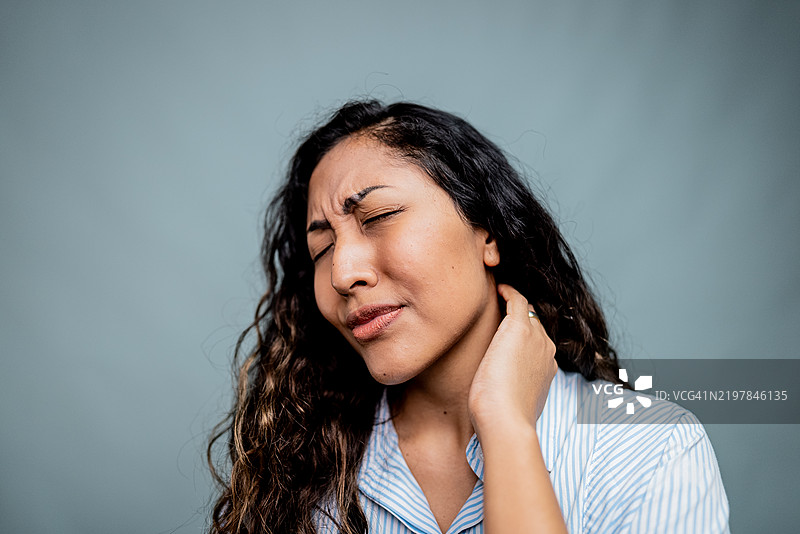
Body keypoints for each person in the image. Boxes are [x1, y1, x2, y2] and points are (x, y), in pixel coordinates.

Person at [207, 100, 729, 534]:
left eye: (379, 217)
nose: (342, 273)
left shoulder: (651, 451)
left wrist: (506, 427)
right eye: (322, 248)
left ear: (488, 233)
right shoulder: (305, 473)